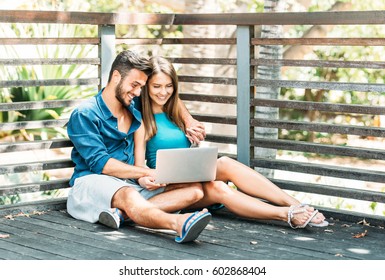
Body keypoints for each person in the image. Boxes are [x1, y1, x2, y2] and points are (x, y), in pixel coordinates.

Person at [134, 56, 329, 229]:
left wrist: (192, 130)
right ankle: (286, 215)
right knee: (219, 187)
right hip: (172, 187)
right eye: (156, 86)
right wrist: (145, 178)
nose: (163, 92)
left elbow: (180, 109)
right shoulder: (142, 118)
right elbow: (138, 167)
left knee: (225, 163)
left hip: (192, 175)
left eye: (168, 86)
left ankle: (295, 205)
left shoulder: (174, 107)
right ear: (146, 87)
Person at [66, 50, 211, 243]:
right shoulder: (85, 114)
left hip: (129, 184)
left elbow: (167, 90)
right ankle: (178, 223)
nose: (137, 92)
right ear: (116, 76)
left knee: (194, 190)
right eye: (134, 85)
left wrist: (188, 120)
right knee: (128, 194)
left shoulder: (132, 107)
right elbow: (102, 164)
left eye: (141, 87)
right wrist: (144, 172)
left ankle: (122, 214)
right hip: (91, 182)